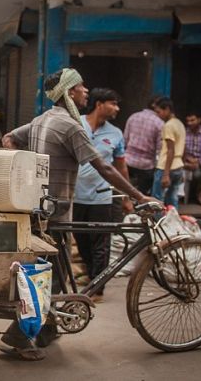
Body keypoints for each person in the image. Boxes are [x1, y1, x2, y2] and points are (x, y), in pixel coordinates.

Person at [0, 68, 156, 361]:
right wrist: (140, 196)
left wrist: (23, 167)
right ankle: (19, 337)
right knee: (51, 277)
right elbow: (104, 168)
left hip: (40, 209)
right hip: (56, 213)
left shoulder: (41, 120)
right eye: (82, 87)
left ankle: (47, 328)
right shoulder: (71, 127)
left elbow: (9, 137)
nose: (86, 91)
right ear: (70, 92)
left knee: (54, 271)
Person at [72, 88, 132, 303]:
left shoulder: (115, 134)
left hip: (101, 196)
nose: (117, 108)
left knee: (101, 243)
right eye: (113, 103)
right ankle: (91, 275)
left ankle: (98, 288)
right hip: (75, 195)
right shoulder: (76, 123)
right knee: (81, 240)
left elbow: (121, 167)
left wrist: (126, 196)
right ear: (99, 104)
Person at [123, 96, 164, 196]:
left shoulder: (133, 116)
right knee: (142, 195)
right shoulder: (160, 123)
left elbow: (125, 139)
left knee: (124, 191)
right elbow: (160, 149)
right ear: (156, 107)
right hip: (146, 166)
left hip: (128, 161)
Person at [152, 97, 185, 209]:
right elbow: (182, 147)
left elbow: (171, 150)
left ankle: (157, 224)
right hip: (178, 166)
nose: (158, 115)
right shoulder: (179, 123)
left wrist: (165, 174)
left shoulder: (169, 125)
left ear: (167, 109)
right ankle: (172, 223)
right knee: (172, 199)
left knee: (157, 200)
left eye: (159, 112)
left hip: (166, 167)